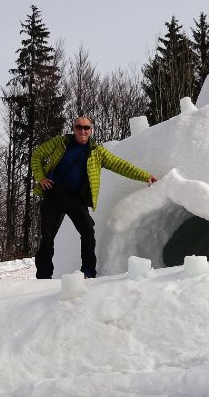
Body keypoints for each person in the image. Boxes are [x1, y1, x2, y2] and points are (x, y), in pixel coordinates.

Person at [30, 116, 157, 279]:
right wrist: (41, 177)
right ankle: (43, 276)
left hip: (76, 197)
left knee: (88, 231)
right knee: (47, 236)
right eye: (79, 127)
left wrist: (145, 176)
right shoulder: (60, 142)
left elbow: (120, 165)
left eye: (86, 128)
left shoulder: (97, 152)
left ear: (91, 130)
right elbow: (37, 155)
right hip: (53, 193)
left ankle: (88, 272)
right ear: (73, 129)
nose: (82, 131)